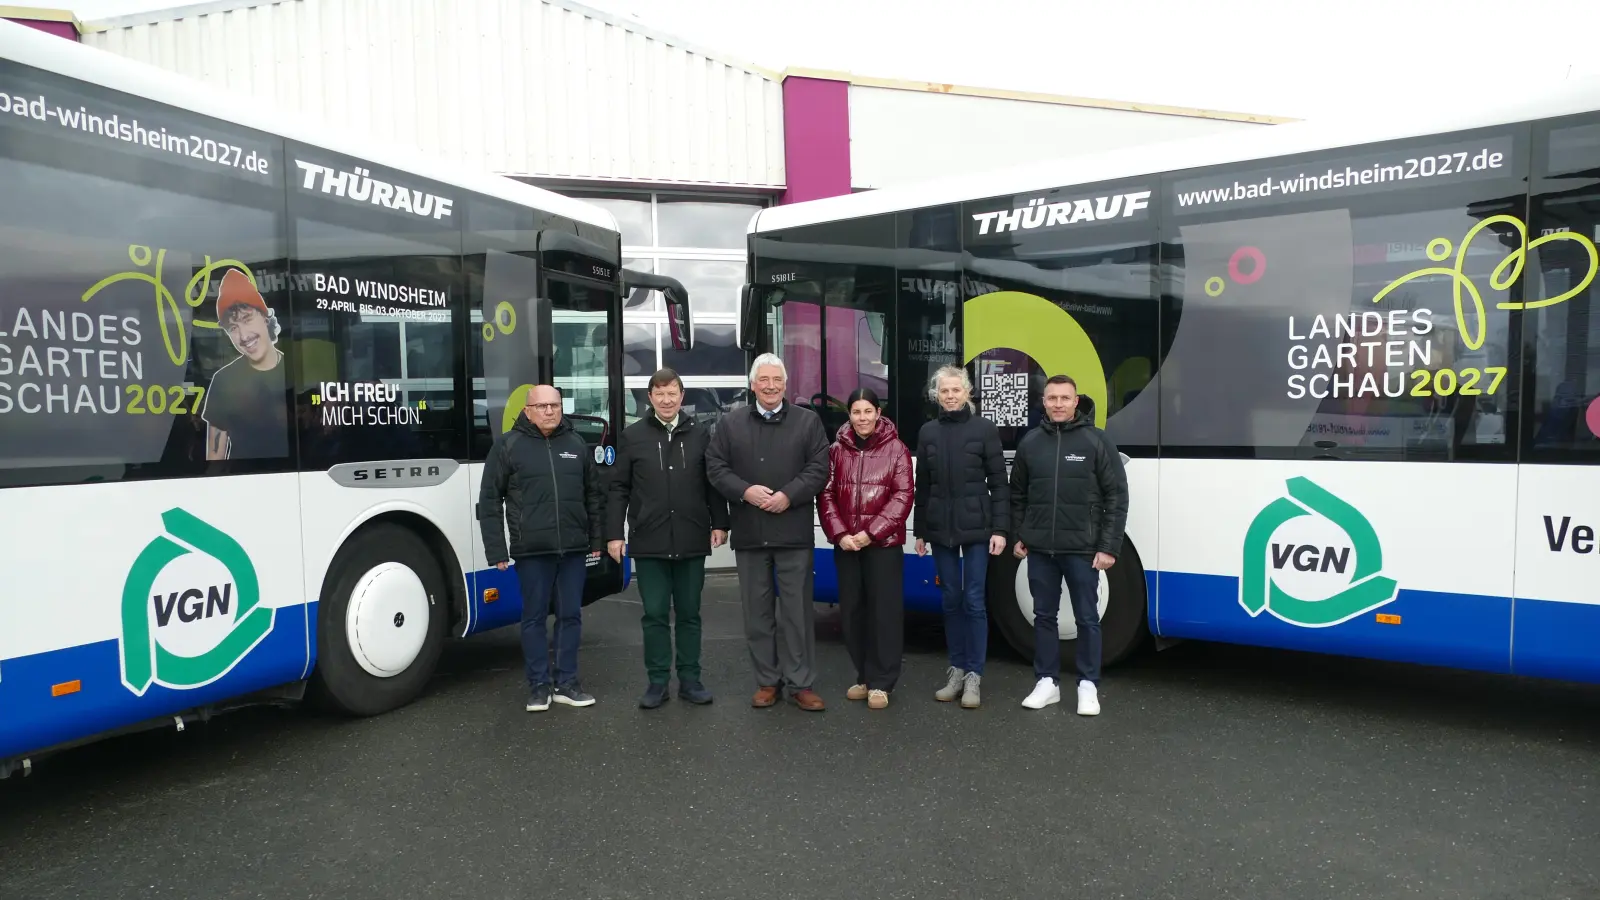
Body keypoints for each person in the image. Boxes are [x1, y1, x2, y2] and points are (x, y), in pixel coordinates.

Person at [706, 352, 832, 712]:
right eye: (764, 380)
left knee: (797, 614)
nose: (771, 386)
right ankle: (766, 681)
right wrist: (745, 491)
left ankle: (801, 684)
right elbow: (715, 467)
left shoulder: (808, 422)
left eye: (777, 380)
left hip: (792, 532)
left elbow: (818, 468)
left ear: (786, 385)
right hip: (750, 533)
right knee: (757, 613)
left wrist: (788, 495)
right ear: (752, 385)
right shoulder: (730, 424)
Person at [606, 368, 730, 709]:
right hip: (649, 541)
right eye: (659, 393)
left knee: (690, 613)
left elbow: (712, 482)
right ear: (650, 398)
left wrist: (720, 522)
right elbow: (618, 488)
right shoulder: (632, 436)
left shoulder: (701, 434)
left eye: (672, 392)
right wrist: (614, 533)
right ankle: (657, 681)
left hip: (691, 537)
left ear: (682, 395)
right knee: (655, 614)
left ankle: (690, 680)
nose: (666, 399)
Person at [479, 384, 606, 713]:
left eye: (555, 405)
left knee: (570, 616)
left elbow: (593, 496)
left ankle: (567, 683)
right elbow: (490, 501)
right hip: (531, 550)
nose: (550, 411)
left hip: (574, 549)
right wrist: (496, 551)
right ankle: (538, 686)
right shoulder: (508, 446)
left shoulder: (576, 444)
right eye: (542, 406)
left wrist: (595, 542)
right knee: (533, 618)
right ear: (527, 410)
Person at [1010, 374, 1129, 716]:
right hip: (1040, 550)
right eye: (1052, 398)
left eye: (1065, 398)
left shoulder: (1096, 441)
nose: (1058, 404)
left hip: (1082, 549)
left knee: (1087, 618)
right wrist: (1021, 534)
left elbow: (1116, 496)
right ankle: (1047, 682)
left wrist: (1108, 547)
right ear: (1044, 402)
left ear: (1076, 401)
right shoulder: (1030, 443)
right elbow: (1017, 494)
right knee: (1043, 616)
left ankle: (1088, 685)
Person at [913, 364, 1008, 710]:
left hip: (978, 528)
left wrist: (1000, 529)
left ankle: (974, 677)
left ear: (967, 392)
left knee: (974, 600)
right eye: (944, 391)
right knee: (950, 599)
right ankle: (956, 670)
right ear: (936, 395)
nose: (950, 396)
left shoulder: (984, 429)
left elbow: (999, 483)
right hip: (940, 528)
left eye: (956, 390)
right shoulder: (927, 432)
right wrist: (919, 530)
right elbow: (923, 485)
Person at [817, 387, 913, 710]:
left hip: (882, 545)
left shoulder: (897, 449)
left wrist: (870, 534)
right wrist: (841, 534)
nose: (862, 418)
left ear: (878, 413)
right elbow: (826, 495)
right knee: (853, 612)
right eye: (856, 412)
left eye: (868, 412)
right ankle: (864, 675)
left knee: (884, 614)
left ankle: (882, 683)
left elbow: (903, 497)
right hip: (847, 545)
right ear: (849, 415)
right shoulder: (836, 450)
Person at [202, 267, 289, 460]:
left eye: (247, 319)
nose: (243, 336)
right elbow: (215, 455)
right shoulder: (224, 380)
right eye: (233, 328)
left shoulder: (296, 370)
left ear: (265, 318)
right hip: (244, 485)